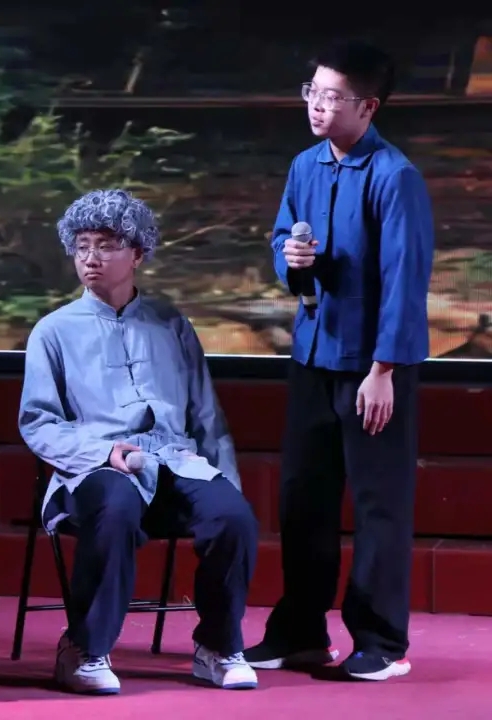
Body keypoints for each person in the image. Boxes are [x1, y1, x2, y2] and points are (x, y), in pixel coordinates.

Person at [18, 189, 260, 694]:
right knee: (116, 504)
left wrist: (225, 483)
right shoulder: (53, 331)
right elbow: (38, 422)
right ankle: (84, 648)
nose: (90, 257)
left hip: (175, 461)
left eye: (106, 245)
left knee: (233, 517)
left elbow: (206, 415)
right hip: (94, 468)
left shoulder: (171, 323)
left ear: (138, 254)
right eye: (82, 246)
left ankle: (217, 646)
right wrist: (102, 452)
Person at [243, 41, 434, 682]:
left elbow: (405, 280)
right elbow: (284, 236)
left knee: (379, 504)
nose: (318, 107)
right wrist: (293, 260)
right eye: (313, 93)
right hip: (312, 355)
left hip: (372, 367)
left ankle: (380, 641)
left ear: (368, 107)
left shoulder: (394, 176)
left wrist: (383, 372)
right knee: (304, 497)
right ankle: (300, 632)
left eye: (332, 98)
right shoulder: (304, 165)